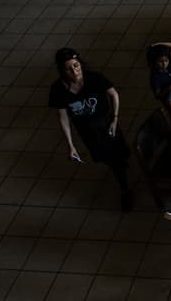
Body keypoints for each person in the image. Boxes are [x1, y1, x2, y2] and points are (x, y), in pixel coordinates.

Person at [48, 48, 133, 211]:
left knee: (115, 157)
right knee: (105, 157)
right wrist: (70, 145)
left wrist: (114, 119)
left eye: (76, 65)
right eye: (69, 68)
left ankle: (125, 189)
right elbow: (63, 117)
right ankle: (119, 166)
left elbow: (114, 94)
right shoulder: (58, 90)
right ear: (62, 70)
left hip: (106, 125)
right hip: (87, 131)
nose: (74, 71)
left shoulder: (94, 79)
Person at [146, 41, 171, 112]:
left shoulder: (168, 65)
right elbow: (157, 95)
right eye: (160, 61)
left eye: (166, 61)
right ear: (154, 62)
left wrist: (156, 44)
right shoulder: (155, 77)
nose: (164, 64)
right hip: (170, 101)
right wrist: (170, 88)